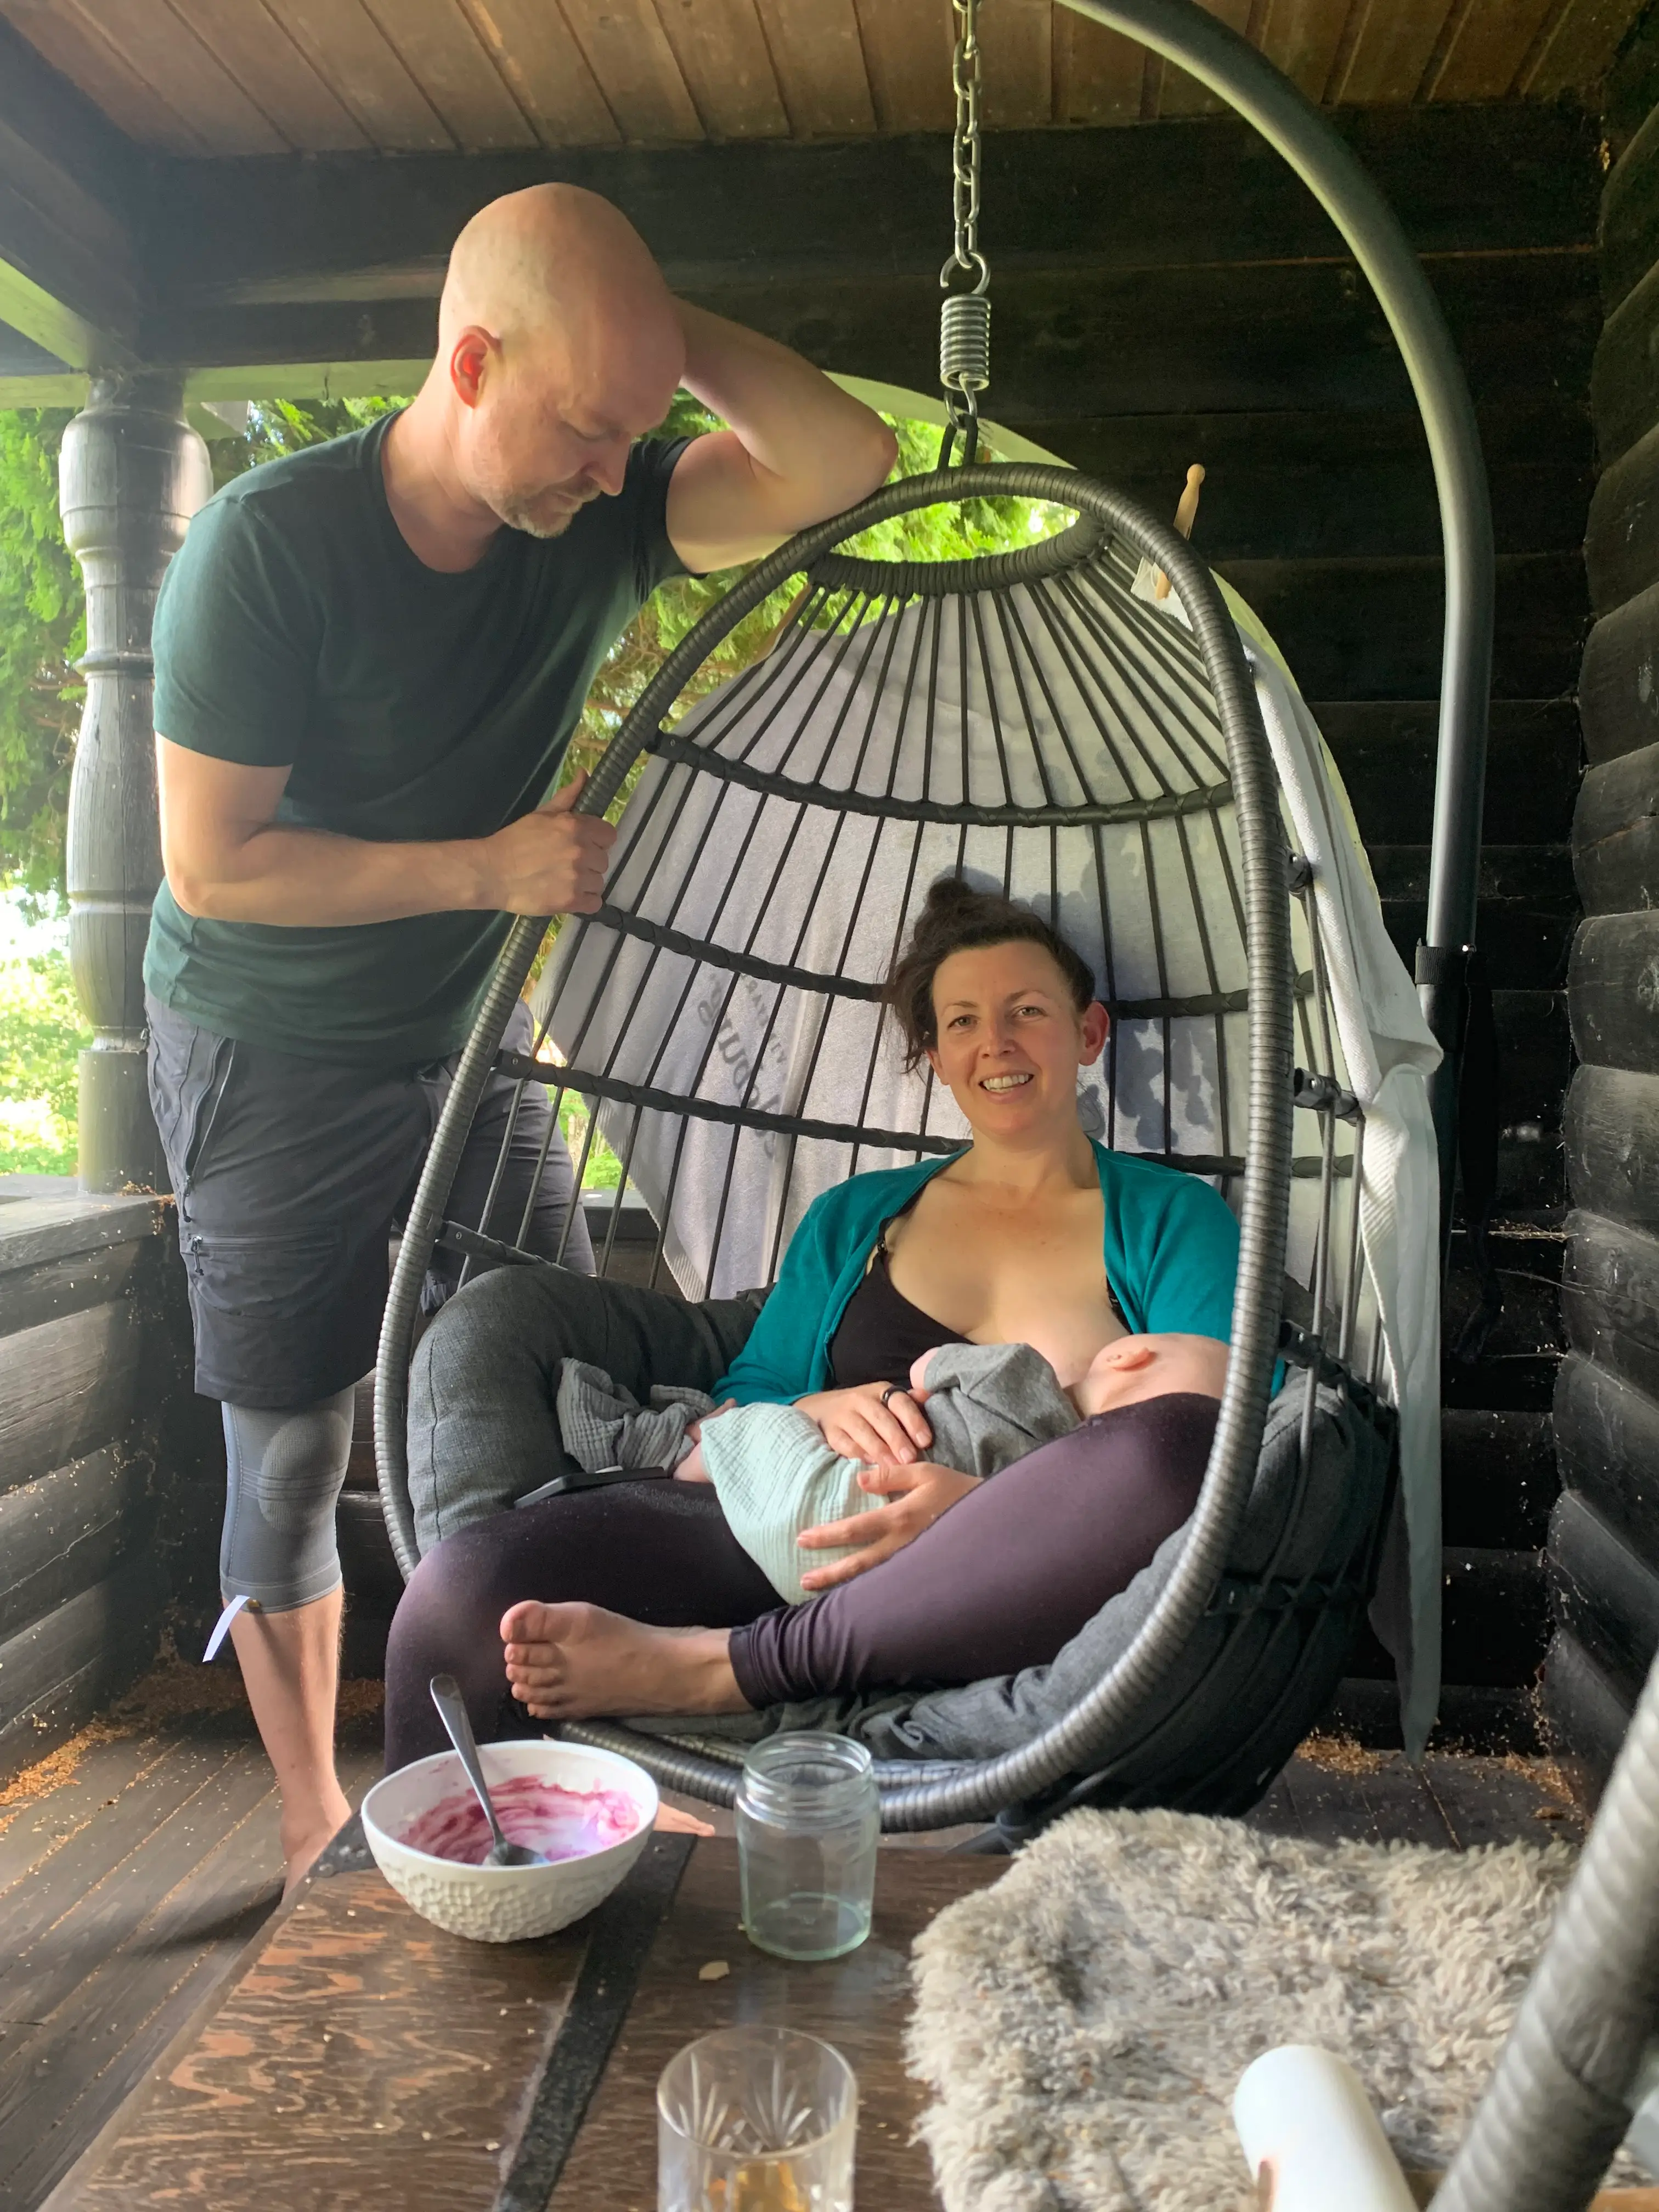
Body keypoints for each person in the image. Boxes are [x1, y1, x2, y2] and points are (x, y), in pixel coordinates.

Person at [143, 180, 898, 1890]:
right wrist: (489, 866)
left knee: (562, 1379)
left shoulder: (599, 518)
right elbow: (215, 867)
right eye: (585, 427)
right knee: (293, 1449)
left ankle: (557, 1756)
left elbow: (842, 458)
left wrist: (649, 336)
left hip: (465, 1046)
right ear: (469, 361)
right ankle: (314, 1821)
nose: (616, 472)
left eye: (637, 435)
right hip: (264, 1047)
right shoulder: (271, 545)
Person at [383, 878, 1244, 1768]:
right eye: (959, 1022)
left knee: (1164, 1451)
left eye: (1026, 1010)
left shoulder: (1171, 1218)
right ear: (935, 1054)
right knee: (468, 1593)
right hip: (784, 1544)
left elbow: (1208, 1432)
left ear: (1087, 1032)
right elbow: (743, 1393)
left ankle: (732, 1673)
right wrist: (813, 1410)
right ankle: (461, 1889)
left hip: (1009, 1587)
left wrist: (985, 1515)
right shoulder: (857, 1217)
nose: (995, 1042)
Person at [554, 1330, 1229, 1604]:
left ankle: (656, 1445)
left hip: (837, 1498)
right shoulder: (1067, 1481)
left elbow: (927, 1369)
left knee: (748, 1430)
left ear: (1127, 1354)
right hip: (863, 1585)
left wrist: (913, 1388)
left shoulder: (1024, 1368)